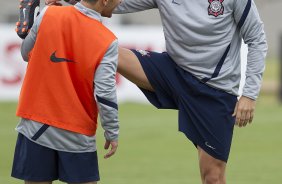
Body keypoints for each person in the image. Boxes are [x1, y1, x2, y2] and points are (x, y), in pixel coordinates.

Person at [46, 0, 268, 183]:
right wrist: (68, 3)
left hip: (214, 90)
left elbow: (256, 39)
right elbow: (112, 3)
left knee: (213, 177)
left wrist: (249, 94)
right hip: (172, 71)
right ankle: (64, 107)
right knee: (105, 48)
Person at [11, 0, 121, 184]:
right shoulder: (107, 40)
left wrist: (40, 22)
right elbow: (105, 93)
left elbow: (25, 53)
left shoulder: (49, 14)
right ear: (104, 1)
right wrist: (112, 131)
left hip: (35, 125)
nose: (122, 2)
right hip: (76, 132)